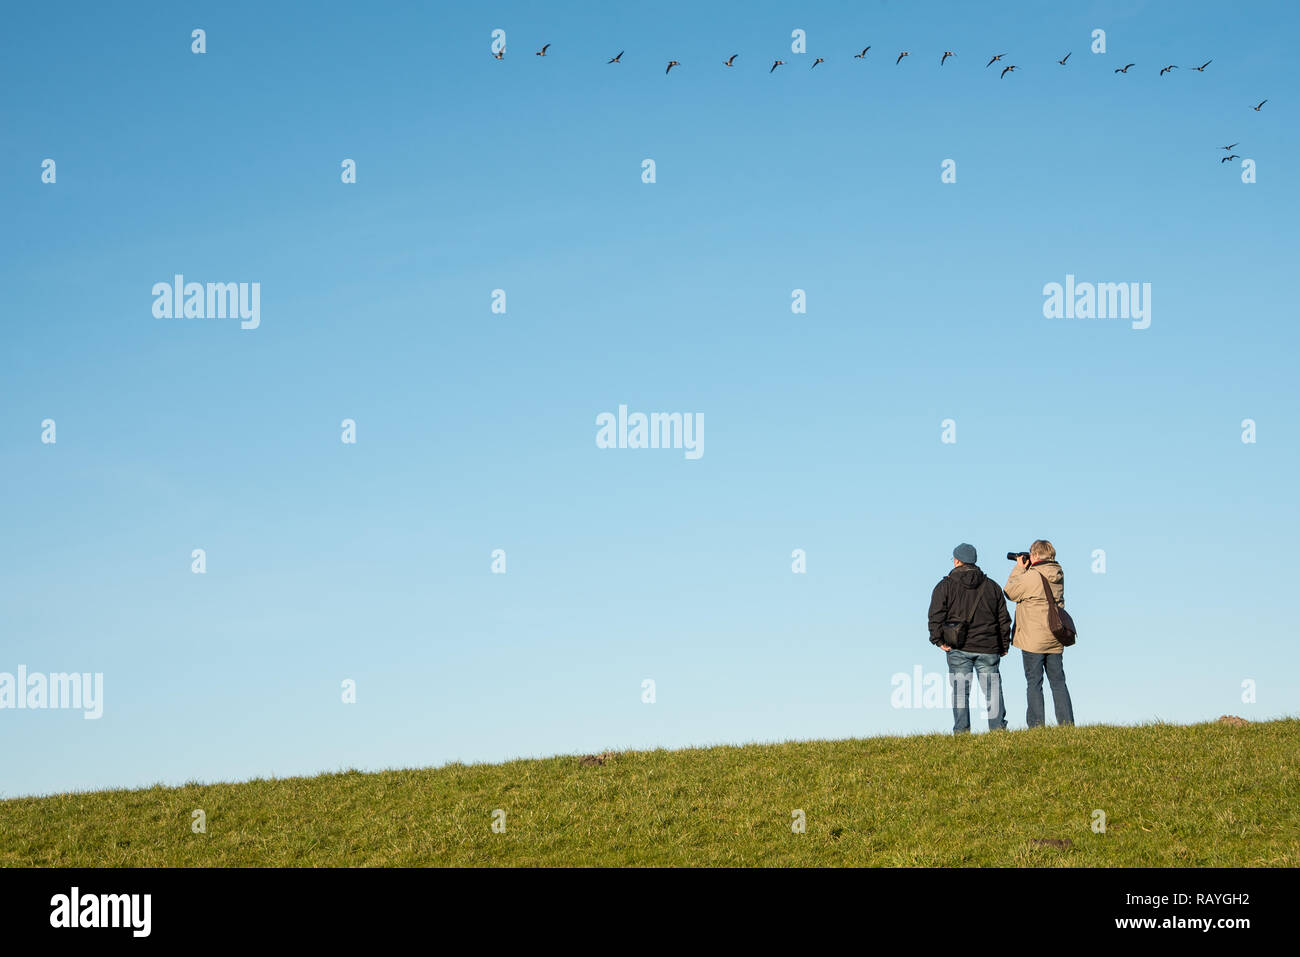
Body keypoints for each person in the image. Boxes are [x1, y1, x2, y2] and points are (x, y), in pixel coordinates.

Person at [927, 543, 1011, 734]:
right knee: (993, 691)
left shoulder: (945, 586)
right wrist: (1004, 644)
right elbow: (1003, 618)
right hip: (988, 647)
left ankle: (962, 731)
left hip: (957, 647)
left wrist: (938, 640)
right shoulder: (992, 587)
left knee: (960, 692)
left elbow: (935, 615)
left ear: (957, 561)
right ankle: (998, 730)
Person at [1004, 539, 1075, 727]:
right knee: (1058, 682)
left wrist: (1020, 568)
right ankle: (1067, 724)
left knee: (1034, 683)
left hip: (1032, 639)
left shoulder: (1032, 576)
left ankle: (1036, 726)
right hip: (1055, 636)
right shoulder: (1058, 573)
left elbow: (1010, 592)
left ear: (1034, 555)